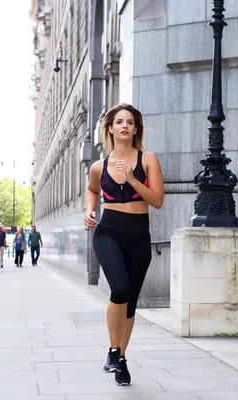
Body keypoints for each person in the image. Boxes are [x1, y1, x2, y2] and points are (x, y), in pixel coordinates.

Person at [84, 104, 163, 386]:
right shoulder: (99, 166)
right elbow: (93, 189)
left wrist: (131, 178)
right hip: (108, 232)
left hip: (138, 236)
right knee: (119, 287)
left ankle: (121, 360)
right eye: (119, 122)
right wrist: (90, 210)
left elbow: (156, 201)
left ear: (136, 129)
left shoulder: (148, 160)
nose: (125, 126)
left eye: (130, 122)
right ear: (110, 128)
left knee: (129, 303)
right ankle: (112, 350)